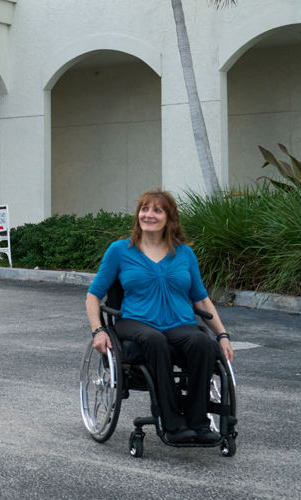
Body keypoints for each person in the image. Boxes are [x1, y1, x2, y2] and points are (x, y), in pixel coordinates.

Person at [86, 189, 234, 445]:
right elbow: (93, 295)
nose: (149, 215)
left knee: (202, 343)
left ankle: (198, 422)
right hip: (135, 322)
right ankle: (172, 423)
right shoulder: (120, 250)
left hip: (180, 323)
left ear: (169, 218)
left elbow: (201, 298)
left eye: (157, 210)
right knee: (155, 340)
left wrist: (222, 335)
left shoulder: (184, 253)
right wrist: (98, 330)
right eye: (144, 209)